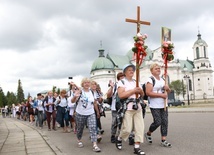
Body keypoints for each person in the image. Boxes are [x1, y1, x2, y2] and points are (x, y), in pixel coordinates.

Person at [115, 64, 146, 155]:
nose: (131, 71)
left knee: (140, 128)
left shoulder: (136, 82)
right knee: (127, 129)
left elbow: (142, 94)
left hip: (138, 107)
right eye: (129, 70)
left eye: (132, 70)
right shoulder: (122, 82)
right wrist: (133, 91)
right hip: (127, 108)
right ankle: (119, 138)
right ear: (125, 72)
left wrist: (140, 91)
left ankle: (137, 147)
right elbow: (121, 95)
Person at [144, 63, 172, 147]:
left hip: (163, 104)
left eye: (159, 68)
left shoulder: (163, 80)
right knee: (157, 122)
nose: (158, 70)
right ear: (151, 71)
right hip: (154, 104)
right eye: (156, 69)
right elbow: (148, 93)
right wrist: (161, 95)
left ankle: (163, 140)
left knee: (165, 122)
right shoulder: (150, 80)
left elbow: (168, 92)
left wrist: (168, 89)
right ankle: (148, 133)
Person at [71, 77, 101, 152]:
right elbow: (72, 101)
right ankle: (79, 140)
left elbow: (94, 102)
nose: (87, 84)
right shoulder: (79, 91)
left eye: (88, 82)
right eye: (85, 83)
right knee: (80, 129)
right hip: (80, 113)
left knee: (93, 128)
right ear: (82, 84)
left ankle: (95, 145)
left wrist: (97, 112)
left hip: (91, 113)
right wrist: (75, 96)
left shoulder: (92, 92)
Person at [106, 72, 124, 143]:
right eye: (121, 78)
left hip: (124, 107)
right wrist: (112, 87)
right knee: (115, 122)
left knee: (124, 122)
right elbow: (108, 95)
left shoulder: (127, 85)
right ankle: (113, 135)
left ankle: (120, 136)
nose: (123, 79)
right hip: (115, 107)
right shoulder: (116, 85)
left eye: (123, 78)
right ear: (118, 79)